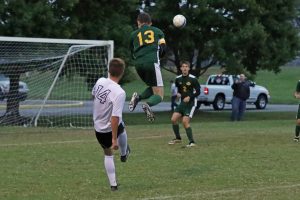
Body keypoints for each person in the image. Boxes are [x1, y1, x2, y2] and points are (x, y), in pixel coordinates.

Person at [92, 58, 130, 191]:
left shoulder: (100, 81)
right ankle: (124, 153)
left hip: (98, 128)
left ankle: (113, 184)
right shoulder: (119, 92)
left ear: (109, 69)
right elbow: (114, 118)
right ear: (122, 73)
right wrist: (114, 139)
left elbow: (93, 96)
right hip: (110, 128)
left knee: (107, 154)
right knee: (121, 125)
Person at [128, 12, 167, 122]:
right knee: (159, 95)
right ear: (150, 23)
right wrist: (159, 56)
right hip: (152, 63)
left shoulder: (133, 35)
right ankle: (147, 104)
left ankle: (138, 97)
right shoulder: (158, 31)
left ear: (138, 22)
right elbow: (164, 48)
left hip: (138, 65)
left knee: (153, 86)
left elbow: (132, 52)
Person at [168, 61, 201, 147]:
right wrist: (179, 94)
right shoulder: (178, 79)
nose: (185, 68)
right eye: (183, 66)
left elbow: (198, 92)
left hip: (191, 103)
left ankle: (192, 142)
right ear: (181, 68)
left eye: (186, 66)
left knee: (185, 122)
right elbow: (180, 90)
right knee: (173, 119)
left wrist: (190, 97)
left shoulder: (193, 79)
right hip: (182, 103)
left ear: (189, 68)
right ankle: (178, 138)